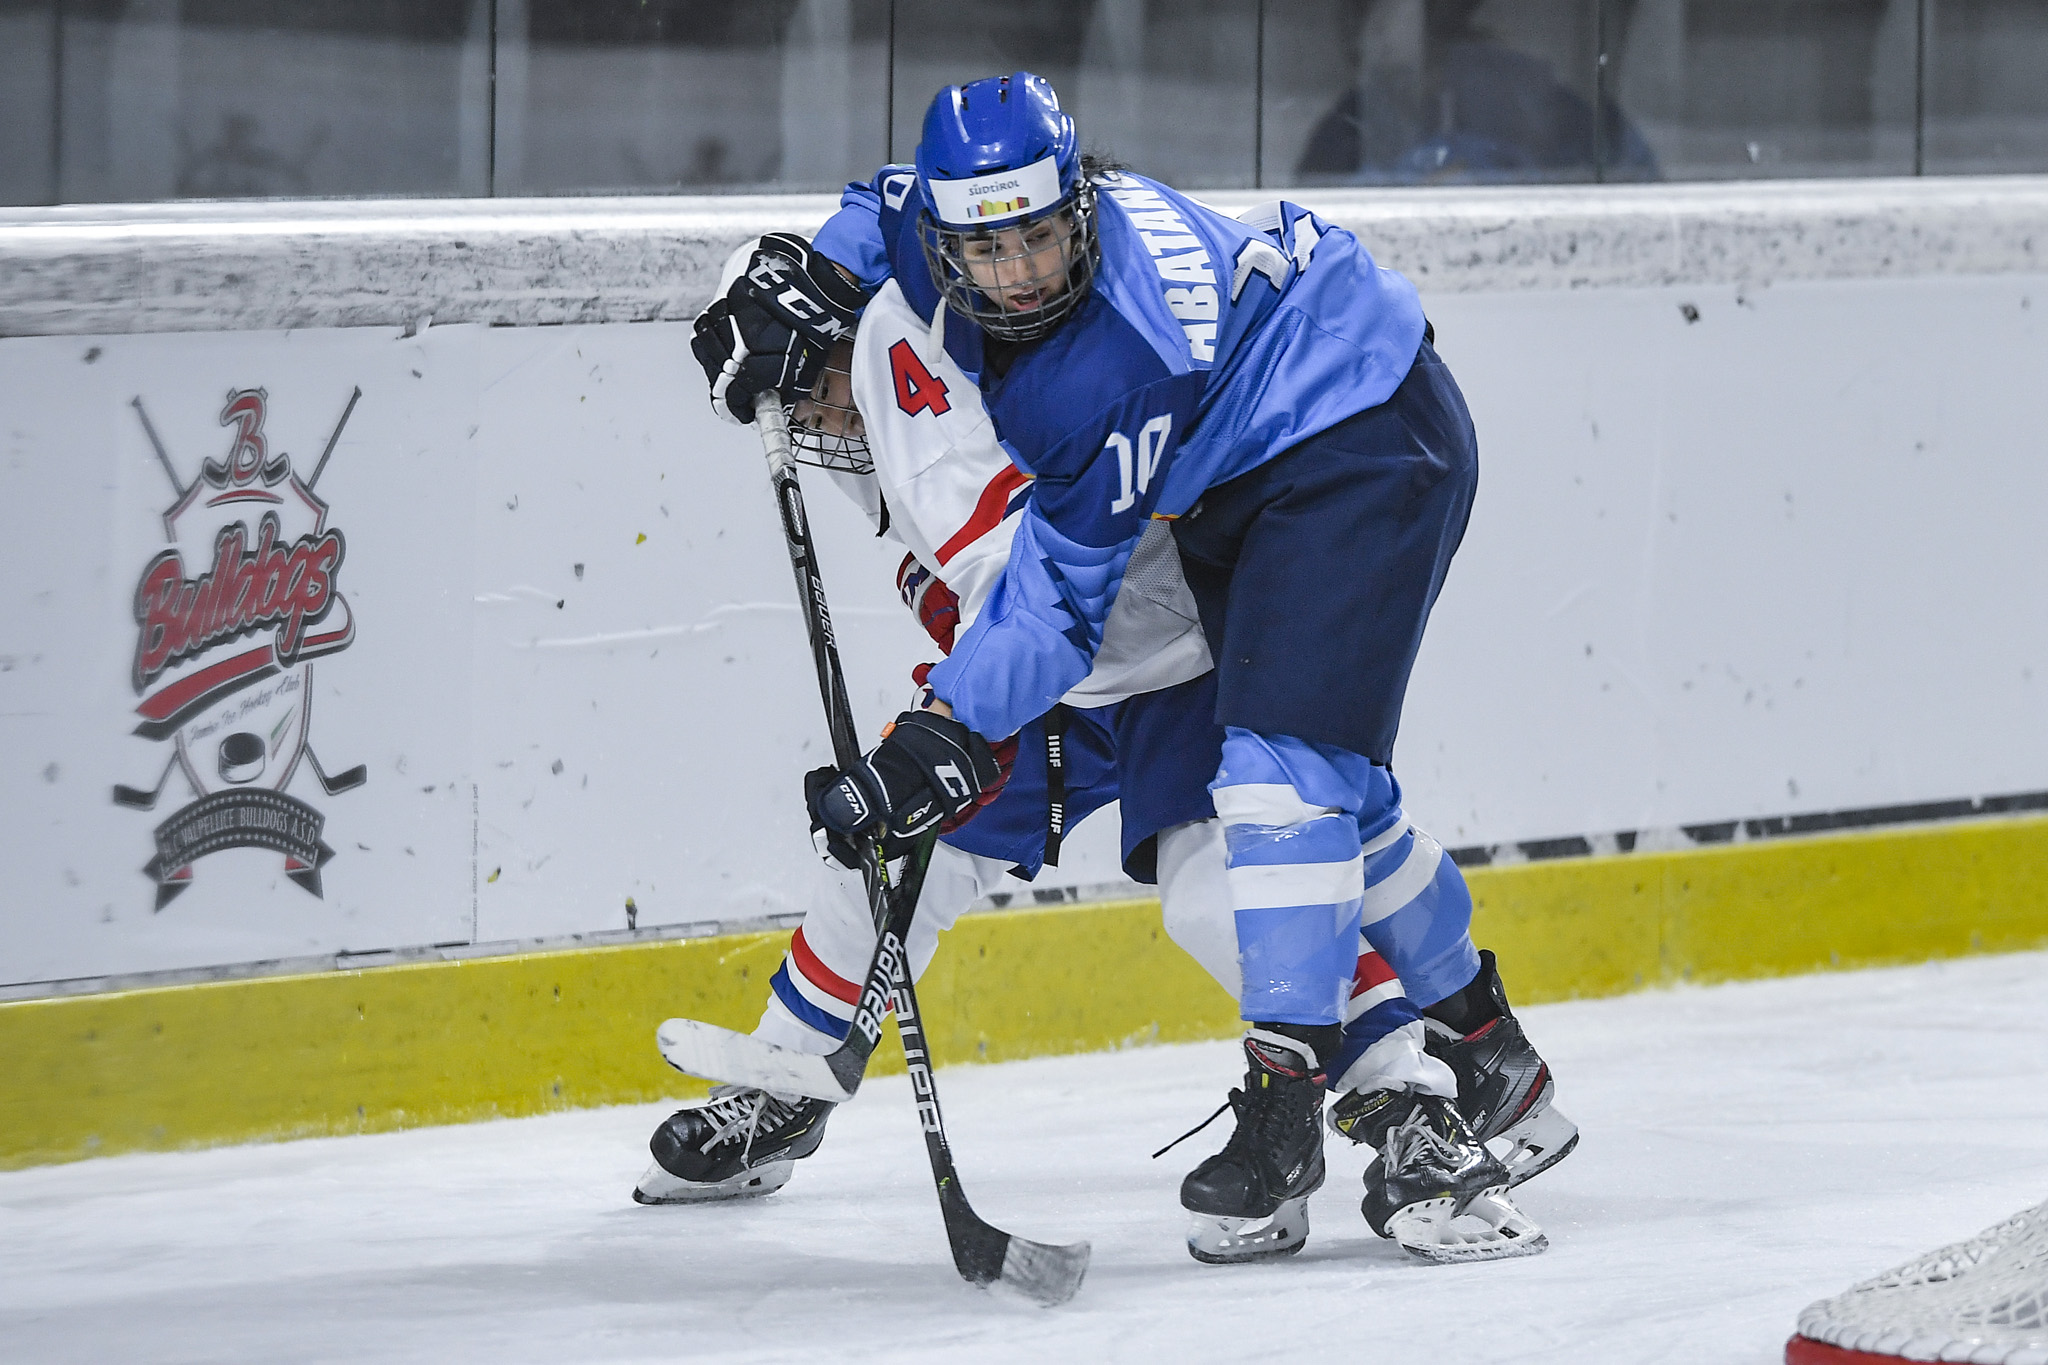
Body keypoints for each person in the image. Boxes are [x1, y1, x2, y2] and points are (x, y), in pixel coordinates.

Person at [687, 108, 1576, 1262]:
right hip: (1059, 664)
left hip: (1159, 651)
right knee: (896, 852)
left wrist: (940, 734)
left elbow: (1045, 594)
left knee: (1250, 865)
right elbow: (900, 200)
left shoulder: (986, 374)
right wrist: (803, 266)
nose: (813, 428)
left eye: (806, 398)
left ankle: (1409, 1112)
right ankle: (791, 1077)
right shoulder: (949, 274)